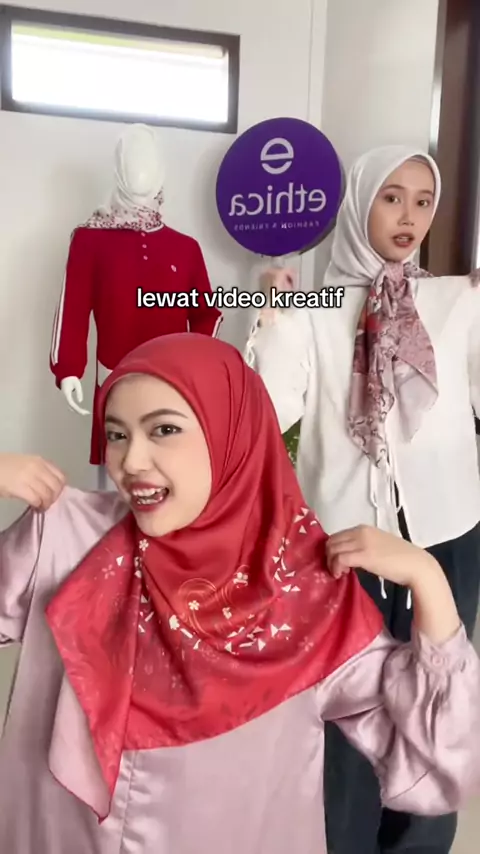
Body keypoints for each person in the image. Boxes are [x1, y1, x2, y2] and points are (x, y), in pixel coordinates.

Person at [1, 333, 480, 854]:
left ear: (229, 431)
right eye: (116, 434)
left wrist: (429, 581)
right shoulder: (66, 536)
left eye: (164, 429)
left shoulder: (306, 592)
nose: (131, 460)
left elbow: (441, 765)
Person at [244, 145, 480, 854]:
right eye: (391, 197)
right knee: (348, 709)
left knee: (435, 701)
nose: (409, 217)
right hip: (346, 545)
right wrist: (271, 312)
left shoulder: (455, 302)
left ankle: (420, 842)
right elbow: (265, 409)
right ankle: (342, 840)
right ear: (358, 203)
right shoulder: (313, 308)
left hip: (446, 536)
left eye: (423, 201)